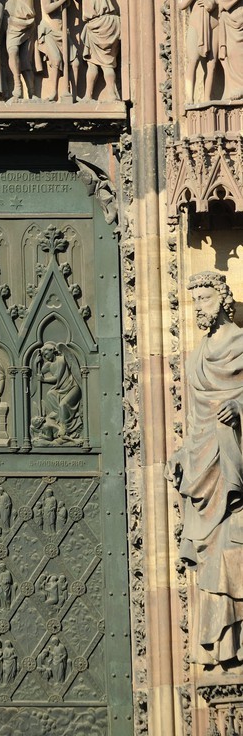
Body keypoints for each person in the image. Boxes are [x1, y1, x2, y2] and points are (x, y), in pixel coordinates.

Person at [168, 272, 243, 668]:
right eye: (194, 299)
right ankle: (220, 647)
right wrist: (182, 455)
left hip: (233, 466)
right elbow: (196, 423)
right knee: (214, 554)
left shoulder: (242, 344)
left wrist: (240, 408)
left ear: (224, 299)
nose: (199, 306)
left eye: (205, 298)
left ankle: (232, 646)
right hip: (204, 469)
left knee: (233, 552)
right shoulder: (196, 357)